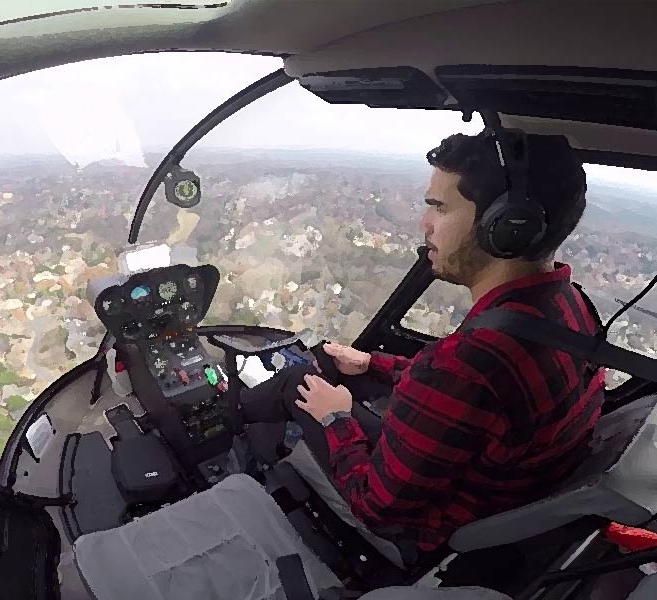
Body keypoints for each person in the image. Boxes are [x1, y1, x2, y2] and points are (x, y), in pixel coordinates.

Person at [240, 130, 606, 567]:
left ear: (507, 226)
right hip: (496, 496)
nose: (424, 224)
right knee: (331, 370)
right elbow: (465, 399)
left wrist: (335, 418)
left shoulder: (472, 362)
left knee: (300, 381)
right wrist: (373, 364)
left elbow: (375, 505)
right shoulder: (570, 307)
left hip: (422, 535)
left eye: (440, 207)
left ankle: (227, 423)